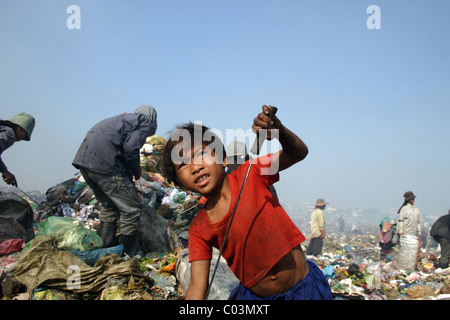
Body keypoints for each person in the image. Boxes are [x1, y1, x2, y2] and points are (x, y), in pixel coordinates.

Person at [162, 105, 332, 300]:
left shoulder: (252, 173)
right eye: (182, 164)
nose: (195, 166)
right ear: (180, 184)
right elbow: (197, 286)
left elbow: (297, 153)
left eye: (201, 154)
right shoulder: (199, 228)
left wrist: (279, 130)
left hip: (304, 288)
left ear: (224, 158)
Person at [72, 105, 157, 257]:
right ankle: (126, 255)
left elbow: (120, 146)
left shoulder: (121, 120)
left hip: (85, 163)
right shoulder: (145, 121)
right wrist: (136, 170)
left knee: (109, 206)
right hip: (105, 164)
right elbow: (131, 148)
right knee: (130, 210)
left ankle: (104, 249)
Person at [0, 112, 36, 188]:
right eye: (24, 136)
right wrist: (5, 171)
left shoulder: (2, 128)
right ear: (20, 128)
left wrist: (4, 171)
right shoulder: (9, 133)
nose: (21, 139)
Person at [396, 191, 422, 269]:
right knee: (405, 251)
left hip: (413, 233)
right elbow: (401, 220)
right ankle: (403, 267)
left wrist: (419, 232)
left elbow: (418, 222)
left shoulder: (416, 210)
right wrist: (401, 231)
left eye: (413, 198)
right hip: (405, 232)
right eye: (411, 198)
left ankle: (412, 267)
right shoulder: (404, 209)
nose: (413, 199)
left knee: (413, 252)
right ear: (408, 199)